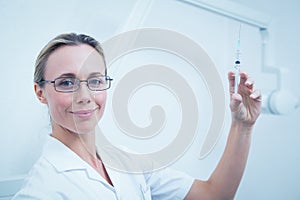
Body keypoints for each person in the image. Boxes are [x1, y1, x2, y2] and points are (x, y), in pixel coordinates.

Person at [13, 33, 261, 200]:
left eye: (95, 80)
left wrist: (243, 126)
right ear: (40, 93)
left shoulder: (126, 160)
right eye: (66, 82)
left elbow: (213, 194)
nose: (85, 95)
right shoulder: (40, 191)